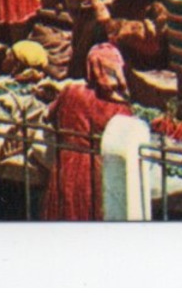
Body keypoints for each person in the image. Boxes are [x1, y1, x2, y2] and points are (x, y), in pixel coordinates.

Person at [42, 44, 133, 221]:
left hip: (64, 165)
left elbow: (49, 116)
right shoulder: (118, 108)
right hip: (93, 170)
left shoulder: (70, 91)